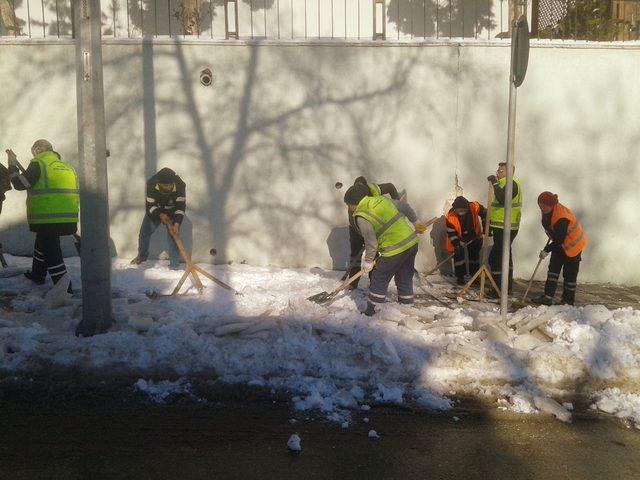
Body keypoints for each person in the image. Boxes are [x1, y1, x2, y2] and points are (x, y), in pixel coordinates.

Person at [6, 140, 79, 292]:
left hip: (48, 218)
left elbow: (20, 184)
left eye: (34, 152)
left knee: (52, 253)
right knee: (43, 242)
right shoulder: (66, 167)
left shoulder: (39, 164)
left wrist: (12, 165)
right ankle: (37, 274)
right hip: (68, 217)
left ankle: (65, 289)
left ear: (37, 150)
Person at [343, 183, 425, 316]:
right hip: (411, 243)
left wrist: (369, 261)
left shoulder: (361, 215)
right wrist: (416, 222)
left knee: (379, 276)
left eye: (348, 204)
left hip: (394, 249)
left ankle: (373, 309)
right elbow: (405, 206)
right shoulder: (382, 200)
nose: (349, 208)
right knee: (404, 275)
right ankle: (407, 304)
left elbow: (371, 242)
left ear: (355, 203)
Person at [343, 176, 401, 289]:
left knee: (373, 256)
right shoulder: (352, 197)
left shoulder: (373, 189)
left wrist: (396, 203)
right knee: (355, 256)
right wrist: (361, 235)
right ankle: (353, 283)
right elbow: (354, 220)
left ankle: (374, 283)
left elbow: (390, 186)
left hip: (371, 228)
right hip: (356, 229)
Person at [532, 192, 587, 306]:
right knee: (553, 270)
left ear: (552, 205)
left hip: (573, 246)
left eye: (545, 206)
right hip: (560, 243)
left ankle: (568, 301)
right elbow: (556, 236)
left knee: (569, 274)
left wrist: (546, 249)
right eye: (540, 205)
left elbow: (559, 239)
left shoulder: (561, 217)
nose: (542, 208)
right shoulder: (549, 212)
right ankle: (547, 297)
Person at [131, 168, 186, 269]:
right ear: (159, 183)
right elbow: (150, 206)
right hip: (156, 211)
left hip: (173, 211)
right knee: (144, 233)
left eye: (169, 185)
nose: (167, 187)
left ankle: (174, 266)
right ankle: (141, 257)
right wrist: (160, 214)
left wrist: (177, 223)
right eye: (164, 185)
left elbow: (180, 207)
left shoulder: (180, 185)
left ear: (173, 182)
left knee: (174, 237)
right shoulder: (151, 184)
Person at [487, 162, 522, 294]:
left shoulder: (512, 183)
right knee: (504, 256)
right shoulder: (505, 183)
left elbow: (503, 199)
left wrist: (495, 183)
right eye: (498, 170)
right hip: (500, 225)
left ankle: (499, 289)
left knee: (497, 257)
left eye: (500, 171)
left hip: (506, 227)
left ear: (509, 172)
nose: (497, 172)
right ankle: (505, 287)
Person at [444, 196, 486, 285]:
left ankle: (475, 277)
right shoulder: (450, 216)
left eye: (464, 210)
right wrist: (457, 244)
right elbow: (451, 233)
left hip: (474, 236)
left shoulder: (474, 206)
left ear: (467, 207)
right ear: (455, 209)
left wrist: (485, 225)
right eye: (460, 211)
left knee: (474, 257)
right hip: (459, 238)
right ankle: (460, 277)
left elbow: (485, 213)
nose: (462, 212)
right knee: (458, 256)